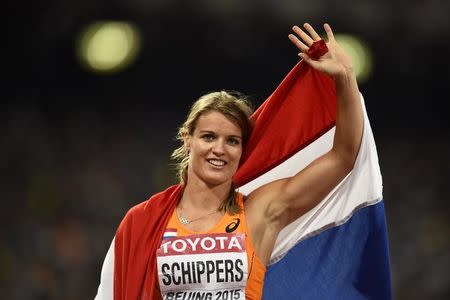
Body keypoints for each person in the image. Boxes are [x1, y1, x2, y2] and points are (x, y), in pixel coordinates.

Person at [95, 22, 364, 299]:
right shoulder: (145, 221)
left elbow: (343, 157)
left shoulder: (260, 213)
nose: (219, 149)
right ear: (188, 139)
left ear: (242, 149)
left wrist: (345, 79)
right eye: (209, 137)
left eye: (232, 141)